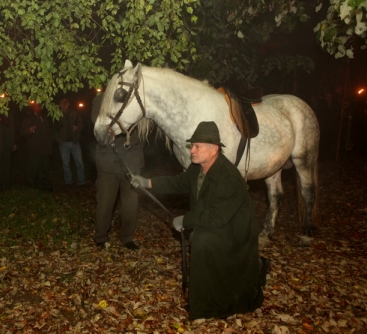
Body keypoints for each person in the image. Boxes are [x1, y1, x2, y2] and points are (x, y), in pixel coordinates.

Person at [131, 121, 268, 319]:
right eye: (192, 146)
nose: (192, 151)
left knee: (203, 241)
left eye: (197, 146)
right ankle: (204, 299)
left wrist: (186, 219)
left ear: (213, 149)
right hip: (217, 222)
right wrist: (148, 182)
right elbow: (178, 183)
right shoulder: (198, 168)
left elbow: (218, 216)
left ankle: (209, 305)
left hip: (235, 231)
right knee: (201, 237)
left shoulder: (228, 177)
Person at [91, 93, 144, 250]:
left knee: (131, 204)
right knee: (105, 202)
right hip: (108, 160)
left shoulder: (137, 100)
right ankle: (101, 236)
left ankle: (127, 236)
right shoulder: (101, 99)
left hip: (133, 160)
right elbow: (97, 122)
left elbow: (142, 128)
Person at [20, 101, 54, 191]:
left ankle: (45, 185)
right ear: (33, 107)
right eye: (38, 106)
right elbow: (23, 132)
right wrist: (30, 130)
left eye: (41, 106)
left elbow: (49, 130)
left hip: (45, 148)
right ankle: (31, 185)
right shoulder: (28, 118)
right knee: (33, 168)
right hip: (34, 148)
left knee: (45, 168)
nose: (40, 108)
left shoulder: (44, 117)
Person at [55, 98, 86, 187]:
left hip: (75, 142)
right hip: (64, 143)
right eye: (62, 103)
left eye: (65, 103)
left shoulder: (75, 114)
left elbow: (82, 125)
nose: (64, 105)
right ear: (59, 104)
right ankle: (68, 181)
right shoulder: (57, 115)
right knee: (65, 164)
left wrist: (77, 128)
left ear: (68, 104)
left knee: (79, 163)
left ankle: (81, 181)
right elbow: (54, 129)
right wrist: (59, 139)